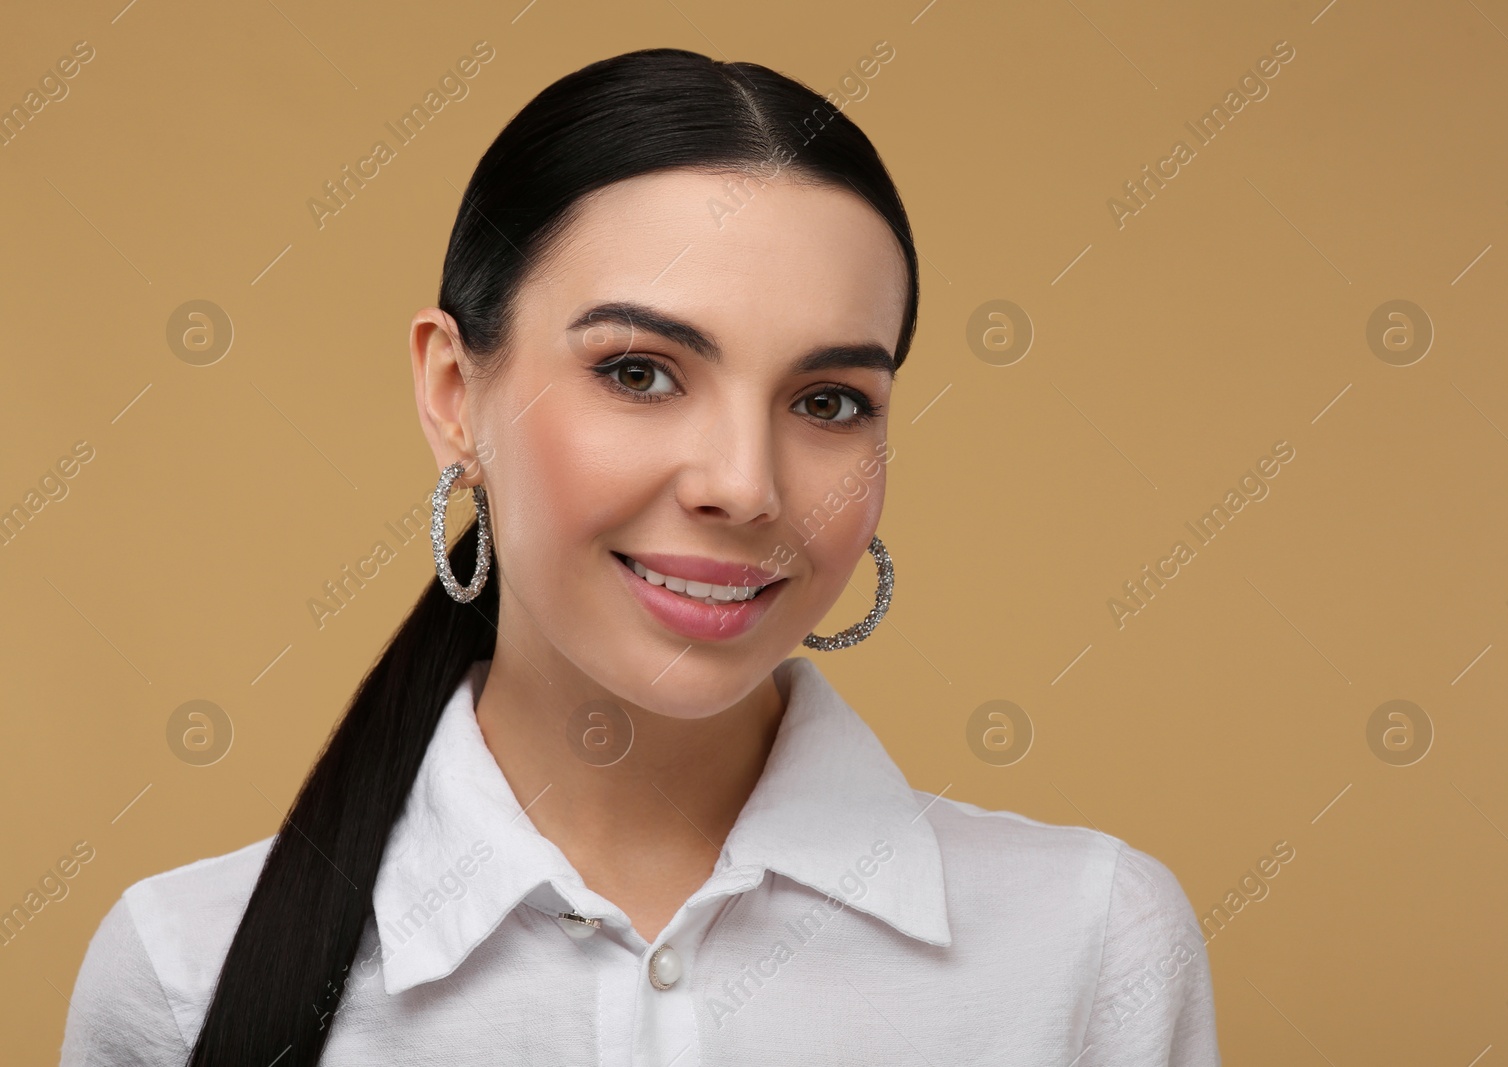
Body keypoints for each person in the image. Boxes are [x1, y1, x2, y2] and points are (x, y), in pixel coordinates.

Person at [59, 47, 1220, 1066]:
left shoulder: (1089, 945)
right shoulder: (182, 973)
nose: (744, 485)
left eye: (826, 399)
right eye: (638, 372)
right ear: (455, 392)